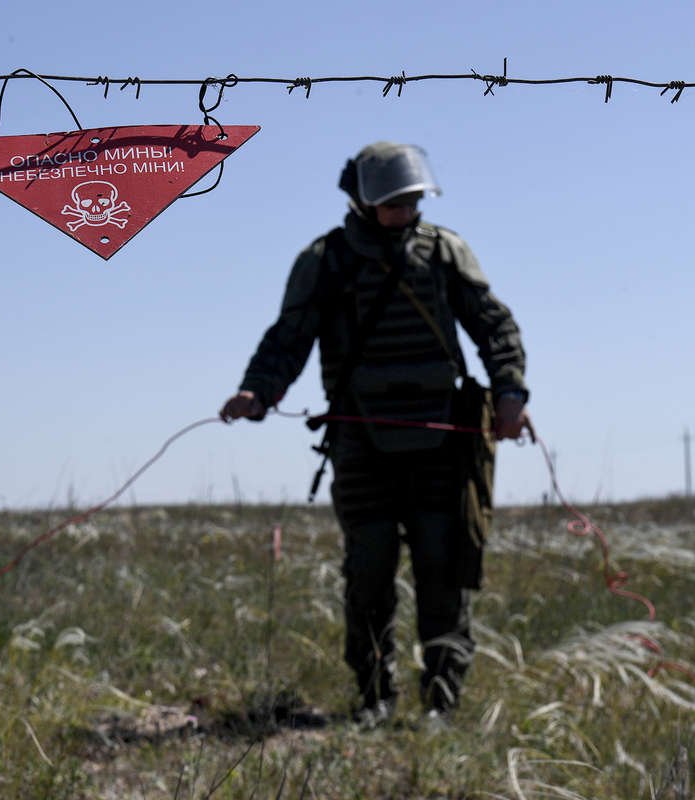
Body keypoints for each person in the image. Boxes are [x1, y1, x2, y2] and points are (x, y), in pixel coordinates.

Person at [220, 141, 530, 726]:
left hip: (444, 440)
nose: (404, 211)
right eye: (392, 203)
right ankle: (373, 698)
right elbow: (289, 337)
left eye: (412, 201)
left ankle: (441, 702)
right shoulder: (327, 260)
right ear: (361, 201)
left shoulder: (444, 252)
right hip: (362, 442)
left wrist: (510, 391)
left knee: (445, 570)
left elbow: (493, 324)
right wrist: (257, 392)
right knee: (369, 572)